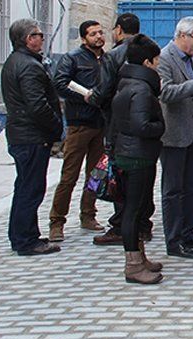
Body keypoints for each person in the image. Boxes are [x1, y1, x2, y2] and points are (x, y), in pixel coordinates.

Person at [1, 19, 63, 255]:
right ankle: (26, 240)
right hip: (31, 136)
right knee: (31, 188)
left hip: (23, 134)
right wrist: (56, 127)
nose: (42, 39)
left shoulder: (16, 62)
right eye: (39, 35)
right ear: (29, 39)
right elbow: (38, 106)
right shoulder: (28, 66)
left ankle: (22, 234)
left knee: (25, 186)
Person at [158, 17, 193, 259]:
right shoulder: (164, 58)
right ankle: (173, 240)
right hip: (173, 132)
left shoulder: (192, 56)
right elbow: (165, 92)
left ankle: (188, 231)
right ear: (183, 35)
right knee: (173, 189)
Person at [110, 34, 165, 284]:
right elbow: (142, 125)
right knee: (133, 210)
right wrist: (160, 127)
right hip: (137, 155)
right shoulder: (141, 89)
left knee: (137, 208)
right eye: (156, 60)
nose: (158, 65)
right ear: (146, 63)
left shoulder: (126, 82)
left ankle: (139, 257)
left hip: (130, 152)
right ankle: (132, 265)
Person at [88, 13, 145, 246]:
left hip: (117, 124)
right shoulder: (149, 50)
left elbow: (104, 91)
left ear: (119, 30)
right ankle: (142, 223)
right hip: (143, 124)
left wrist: (92, 98)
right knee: (143, 176)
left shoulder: (113, 56)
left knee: (120, 177)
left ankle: (122, 225)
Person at [49, 20, 107, 242]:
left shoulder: (107, 59)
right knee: (69, 175)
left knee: (96, 175)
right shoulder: (72, 58)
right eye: (93, 34)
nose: (98, 37)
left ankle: (88, 214)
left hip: (100, 124)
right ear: (84, 38)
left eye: (101, 32)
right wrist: (82, 95)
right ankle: (57, 221)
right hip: (79, 123)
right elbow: (60, 83)